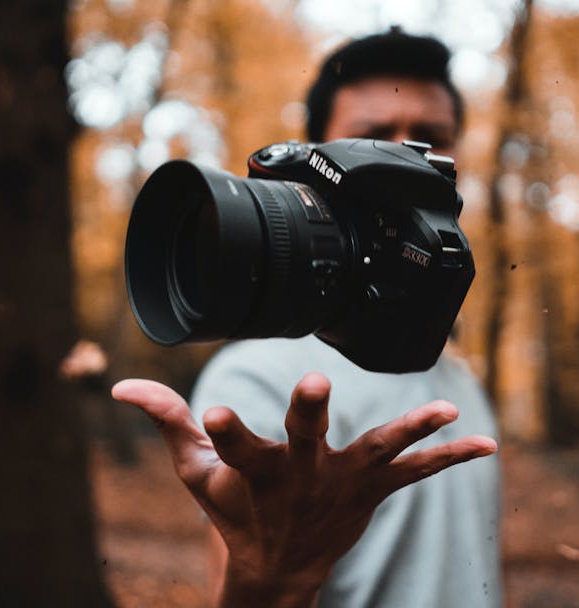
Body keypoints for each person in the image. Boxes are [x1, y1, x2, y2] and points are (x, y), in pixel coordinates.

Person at [112, 28, 501, 608]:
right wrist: (274, 580)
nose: (405, 157)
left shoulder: (454, 372)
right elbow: (245, 577)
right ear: (320, 159)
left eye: (430, 141)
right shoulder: (259, 374)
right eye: (373, 139)